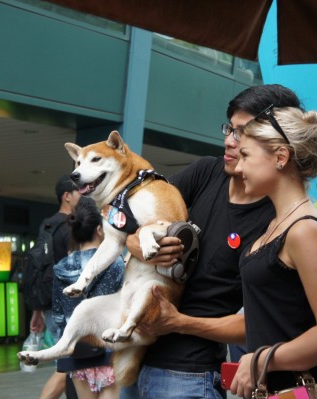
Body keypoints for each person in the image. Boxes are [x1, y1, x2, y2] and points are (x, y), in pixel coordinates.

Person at [122, 85, 301, 399]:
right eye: (230, 128)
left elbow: (257, 324)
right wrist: (136, 243)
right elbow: (130, 216)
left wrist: (178, 323)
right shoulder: (206, 172)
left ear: (278, 146)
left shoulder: (282, 221)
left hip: (189, 374)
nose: (229, 141)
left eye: (243, 133)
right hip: (135, 359)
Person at [230, 106, 317, 398]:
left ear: (281, 157)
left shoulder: (304, 230)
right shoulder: (278, 224)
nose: (238, 167)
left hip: (303, 389)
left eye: (246, 155)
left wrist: (260, 360)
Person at [53, 200, 125, 399]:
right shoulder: (115, 263)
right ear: (100, 230)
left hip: (78, 351)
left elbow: (59, 316)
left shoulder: (61, 266)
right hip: (109, 351)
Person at [33, 175, 81, 399]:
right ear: (67, 196)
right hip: (69, 306)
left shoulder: (47, 225)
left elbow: (40, 267)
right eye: (79, 191)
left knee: (69, 365)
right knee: (69, 365)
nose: (83, 194)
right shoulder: (71, 226)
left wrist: (37, 310)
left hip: (51, 304)